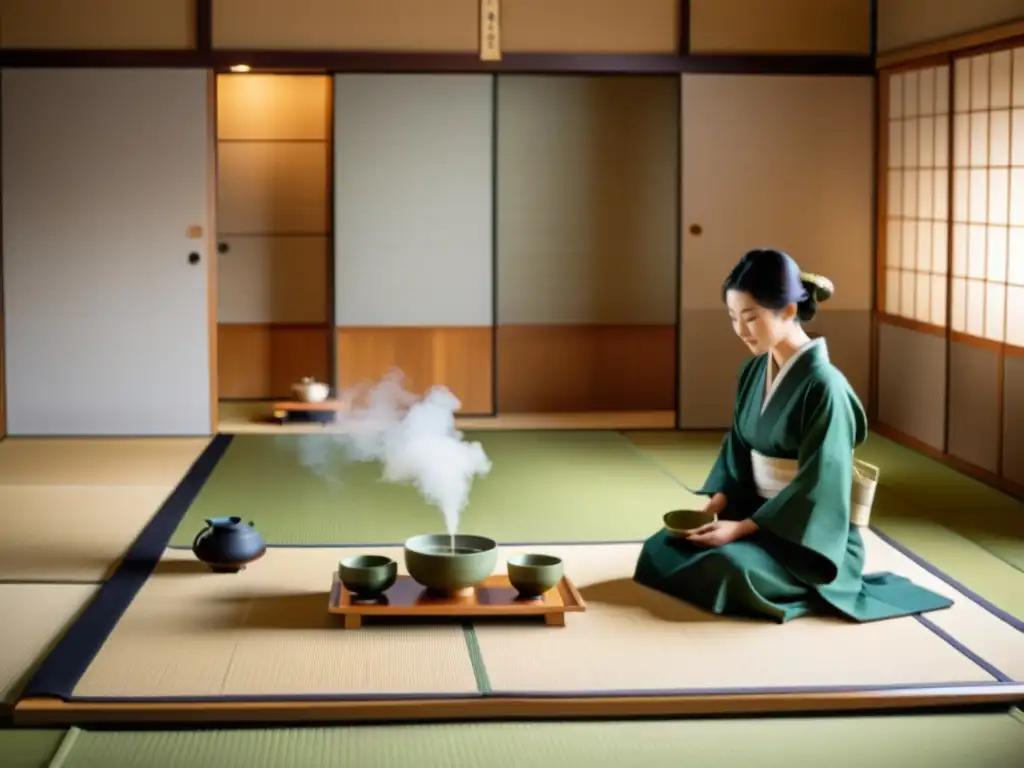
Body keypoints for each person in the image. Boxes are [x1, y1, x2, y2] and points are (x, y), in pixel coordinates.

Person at [633, 248, 953, 623]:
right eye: (733, 318)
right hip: (753, 512)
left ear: (787, 310)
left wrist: (742, 530)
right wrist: (716, 505)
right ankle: (736, 549)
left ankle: (806, 588)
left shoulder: (825, 387)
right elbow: (737, 446)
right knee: (660, 548)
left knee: (727, 569)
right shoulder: (753, 372)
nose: (740, 330)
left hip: (804, 536)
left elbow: (820, 483)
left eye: (750, 318)